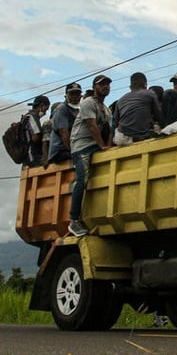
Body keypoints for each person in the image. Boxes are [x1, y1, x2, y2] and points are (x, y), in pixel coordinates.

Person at [68, 74, 113, 236]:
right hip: (82, 146)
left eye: (107, 84)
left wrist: (108, 146)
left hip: (96, 146)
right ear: (95, 87)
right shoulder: (88, 103)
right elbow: (92, 126)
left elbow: (110, 128)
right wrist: (102, 145)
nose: (105, 87)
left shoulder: (106, 109)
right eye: (102, 84)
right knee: (82, 180)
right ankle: (73, 220)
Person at [113, 72, 164, 146]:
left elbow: (114, 123)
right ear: (145, 84)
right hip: (142, 135)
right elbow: (159, 116)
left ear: (130, 86)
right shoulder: (150, 93)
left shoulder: (120, 100)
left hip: (123, 139)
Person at [47, 82, 82, 166]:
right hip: (60, 150)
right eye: (72, 94)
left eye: (77, 94)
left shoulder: (79, 110)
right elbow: (63, 133)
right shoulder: (62, 109)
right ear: (66, 95)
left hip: (73, 147)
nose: (75, 96)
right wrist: (73, 151)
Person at [23, 95, 50, 168]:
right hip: (32, 156)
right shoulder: (31, 117)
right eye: (45, 109)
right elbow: (35, 137)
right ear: (41, 106)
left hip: (28, 156)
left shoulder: (27, 117)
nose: (45, 112)